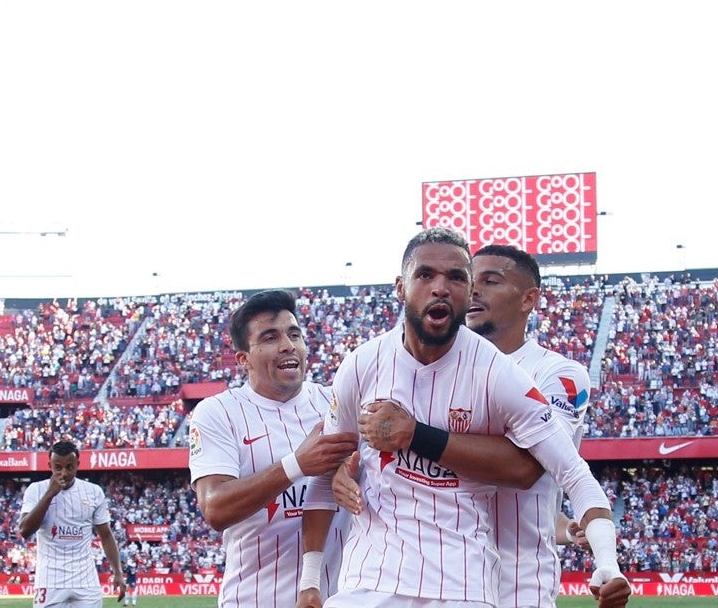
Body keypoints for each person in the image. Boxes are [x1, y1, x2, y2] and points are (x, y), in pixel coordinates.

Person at [301, 228, 630, 608]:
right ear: (400, 287)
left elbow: (535, 469)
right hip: (373, 577)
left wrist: (607, 560)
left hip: (505, 574)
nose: (445, 288)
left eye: (462, 278)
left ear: (528, 299)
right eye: (426, 275)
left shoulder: (522, 375)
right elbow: (329, 457)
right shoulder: (363, 362)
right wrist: (344, 464)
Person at [188, 289, 359, 607]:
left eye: (294, 334)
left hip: (336, 598)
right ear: (244, 359)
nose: (287, 345)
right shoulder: (219, 413)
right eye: (270, 337)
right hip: (253, 598)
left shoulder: (335, 402)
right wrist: (296, 464)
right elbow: (215, 508)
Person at [18, 440, 126, 607]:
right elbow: (25, 531)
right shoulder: (36, 489)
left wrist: (118, 572)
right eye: (58, 467)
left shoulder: (93, 492)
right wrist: (49, 495)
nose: (64, 473)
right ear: (49, 465)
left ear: (78, 465)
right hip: (50, 579)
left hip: (85, 579)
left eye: (69, 467)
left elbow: (106, 535)